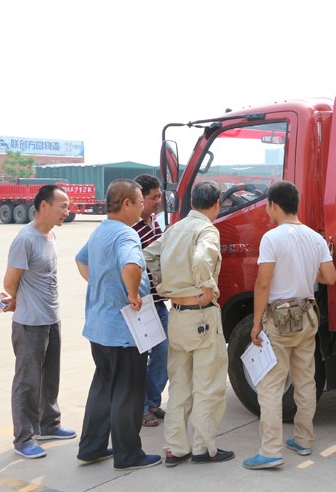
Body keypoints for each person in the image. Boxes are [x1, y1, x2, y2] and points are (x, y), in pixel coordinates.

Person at [243, 181, 336, 470]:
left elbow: (263, 283)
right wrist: (306, 274)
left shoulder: (272, 238)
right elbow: (330, 278)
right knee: (305, 379)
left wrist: (256, 323)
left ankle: (270, 450)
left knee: (271, 385)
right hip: (307, 316)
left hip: (279, 319)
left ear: (273, 205)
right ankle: (304, 440)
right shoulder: (315, 238)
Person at [143, 181, 234, 468]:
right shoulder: (206, 229)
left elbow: (147, 255)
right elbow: (202, 257)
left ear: (192, 201)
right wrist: (206, 286)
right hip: (201, 314)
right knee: (208, 385)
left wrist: (160, 282)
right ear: (217, 203)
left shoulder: (174, 229)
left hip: (177, 313)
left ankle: (175, 448)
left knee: (180, 384)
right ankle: (204, 448)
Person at [75, 179, 161, 470]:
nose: (142, 208)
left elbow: (81, 260)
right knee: (128, 391)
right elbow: (132, 265)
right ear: (126, 203)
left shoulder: (100, 231)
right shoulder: (127, 234)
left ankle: (91, 447)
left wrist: (102, 285)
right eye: (139, 202)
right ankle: (128, 454)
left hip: (99, 327)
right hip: (123, 330)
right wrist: (132, 293)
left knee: (103, 387)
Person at [4, 184, 75, 459]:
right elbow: (10, 282)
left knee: (50, 377)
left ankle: (49, 424)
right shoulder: (25, 239)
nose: (67, 212)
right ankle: (24, 438)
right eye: (63, 206)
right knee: (28, 381)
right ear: (44, 206)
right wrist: (17, 299)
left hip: (51, 318)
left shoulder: (50, 236)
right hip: (29, 322)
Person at [132, 174, 168, 428]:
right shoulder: (130, 228)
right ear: (138, 199)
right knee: (142, 356)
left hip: (159, 301)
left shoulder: (154, 221)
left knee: (163, 353)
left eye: (159, 196)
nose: (158, 201)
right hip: (142, 304)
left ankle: (153, 402)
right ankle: (143, 408)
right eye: (153, 197)